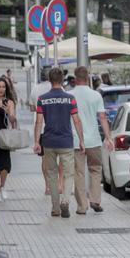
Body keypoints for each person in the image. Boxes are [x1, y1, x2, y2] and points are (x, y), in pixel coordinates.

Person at [33, 67, 85, 218]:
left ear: (50, 80)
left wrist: (37, 141)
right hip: (66, 142)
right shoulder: (70, 99)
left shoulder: (42, 99)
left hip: (48, 141)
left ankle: (55, 207)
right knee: (68, 174)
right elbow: (76, 120)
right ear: (62, 80)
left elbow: (38, 121)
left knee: (51, 175)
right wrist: (81, 140)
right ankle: (66, 201)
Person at [70, 67, 114, 215]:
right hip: (94, 140)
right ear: (88, 77)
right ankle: (95, 200)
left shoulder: (69, 95)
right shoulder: (96, 95)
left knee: (79, 173)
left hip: (76, 140)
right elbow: (102, 118)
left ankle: (82, 206)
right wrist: (108, 137)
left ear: (75, 78)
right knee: (95, 170)